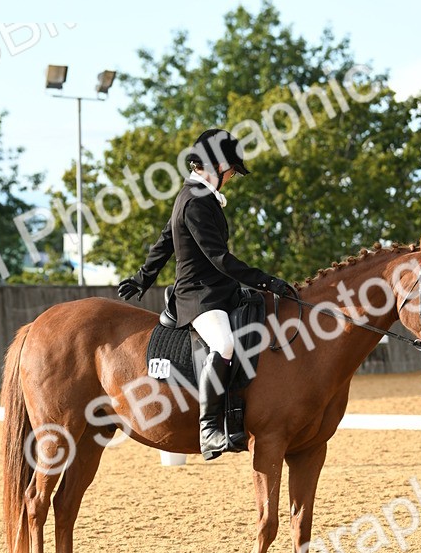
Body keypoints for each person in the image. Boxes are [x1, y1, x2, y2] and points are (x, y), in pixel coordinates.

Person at [118, 128, 296, 460]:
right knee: (224, 343)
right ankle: (209, 428)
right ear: (216, 165)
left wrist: (143, 277)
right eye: (230, 169)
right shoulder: (195, 200)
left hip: (219, 291)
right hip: (199, 296)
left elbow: (165, 241)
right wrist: (266, 281)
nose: (231, 176)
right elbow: (218, 258)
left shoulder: (198, 195)